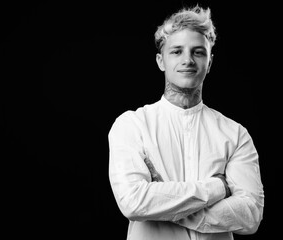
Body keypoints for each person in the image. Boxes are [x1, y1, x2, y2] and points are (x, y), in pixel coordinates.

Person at [108, 5, 264, 240]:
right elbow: (133, 202)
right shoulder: (132, 125)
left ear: (209, 63)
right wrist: (217, 188)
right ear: (161, 61)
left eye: (198, 52)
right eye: (177, 51)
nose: (188, 60)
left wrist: (165, 206)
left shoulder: (235, 134)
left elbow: (250, 215)